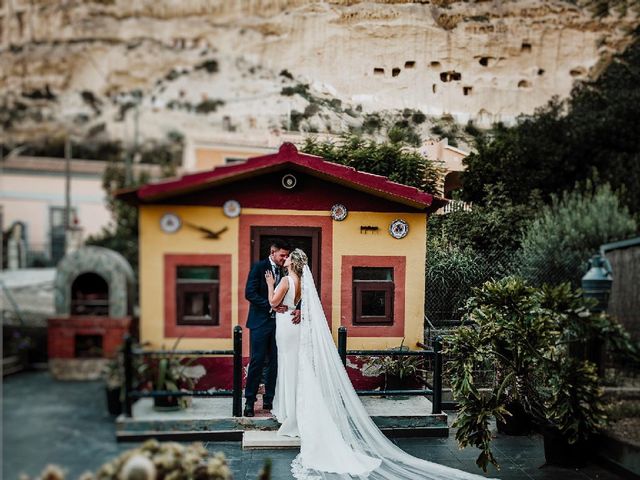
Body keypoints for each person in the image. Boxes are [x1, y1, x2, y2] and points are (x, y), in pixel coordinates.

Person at [266, 248, 494, 480]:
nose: (283, 261)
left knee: (289, 369)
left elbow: (273, 301)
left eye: (287, 259)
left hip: (285, 328)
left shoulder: (285, 279)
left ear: (292, 263)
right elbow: (302, 305)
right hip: (293, 328)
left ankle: (290, 416)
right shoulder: (303, 281)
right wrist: (297, 310)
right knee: (295, 369)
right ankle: (292, 413)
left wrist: (269, 284)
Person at [243, 239, 291, 417]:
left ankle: (270, 400)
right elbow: (250, 293)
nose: (284, 258)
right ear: (272, 253)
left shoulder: (287, 269)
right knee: (257, 361)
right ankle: (249, 401)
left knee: (275, 362)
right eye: (282, 255)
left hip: (280, 324)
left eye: (287, 255)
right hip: (260, 322)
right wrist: (271, 306)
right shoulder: (259, 267)